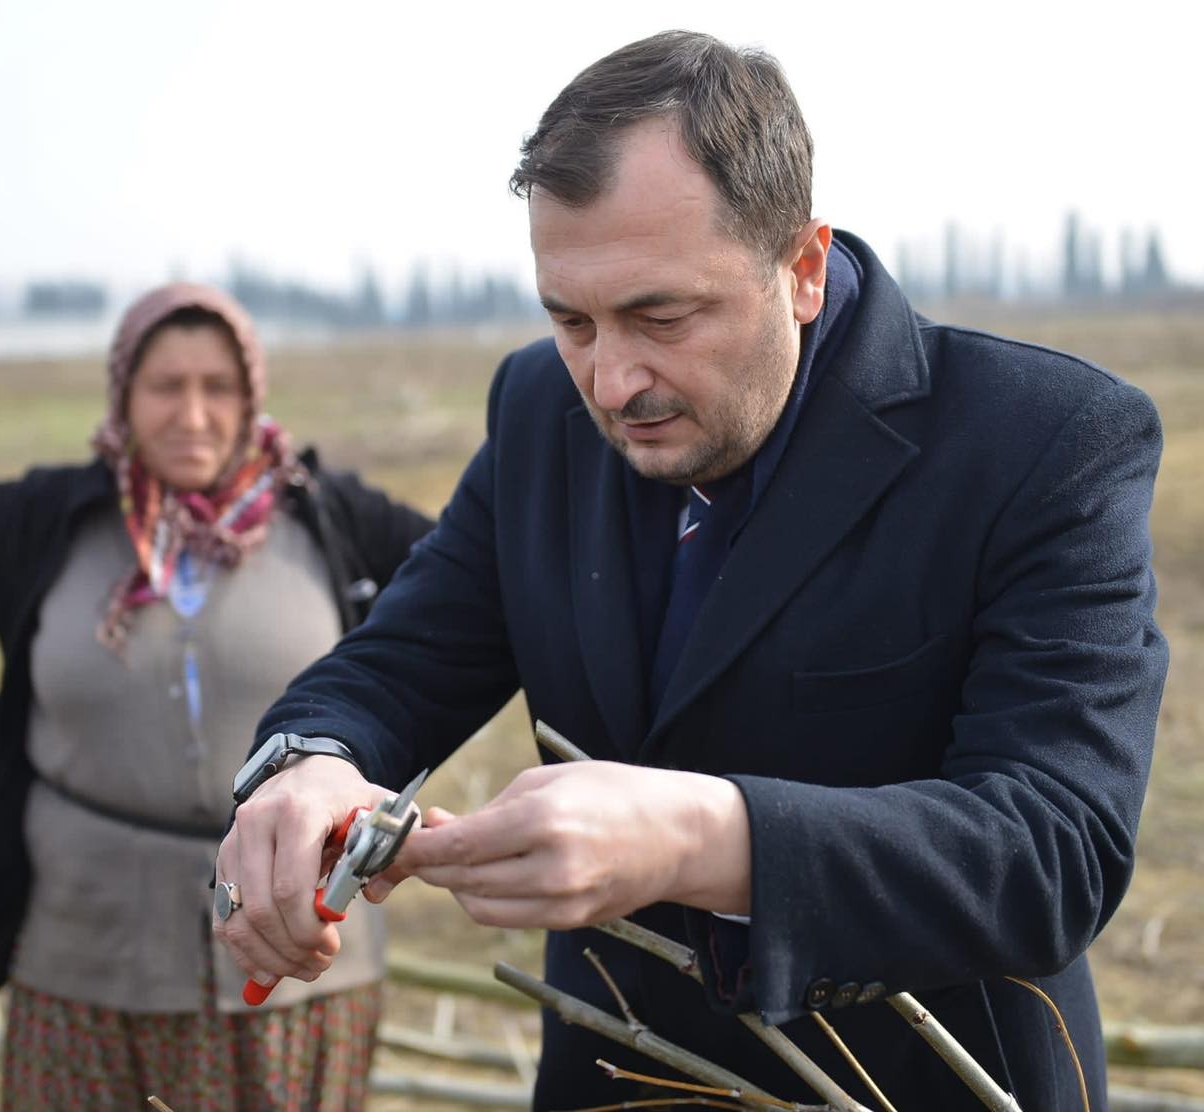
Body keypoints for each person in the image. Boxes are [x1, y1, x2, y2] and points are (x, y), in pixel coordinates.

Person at [213, 30, 1169, 1112]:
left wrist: (695, 837)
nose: (612, 382)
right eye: (571, 320)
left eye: (661, 317)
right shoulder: (537, 412)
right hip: (612, 1076)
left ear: (800, 268)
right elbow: (400, 662)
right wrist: (314, 764)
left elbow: (1053, 852)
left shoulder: (1046, 441)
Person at [0, 282, 433, 1111]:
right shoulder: (42, 519)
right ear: (123, 394)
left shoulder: (331, 517)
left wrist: (376, 779)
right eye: (166, 387)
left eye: (218, 388)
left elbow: (459, 626)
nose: (193, 415)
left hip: (297, 952)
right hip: (80, 954)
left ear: (252, 396)